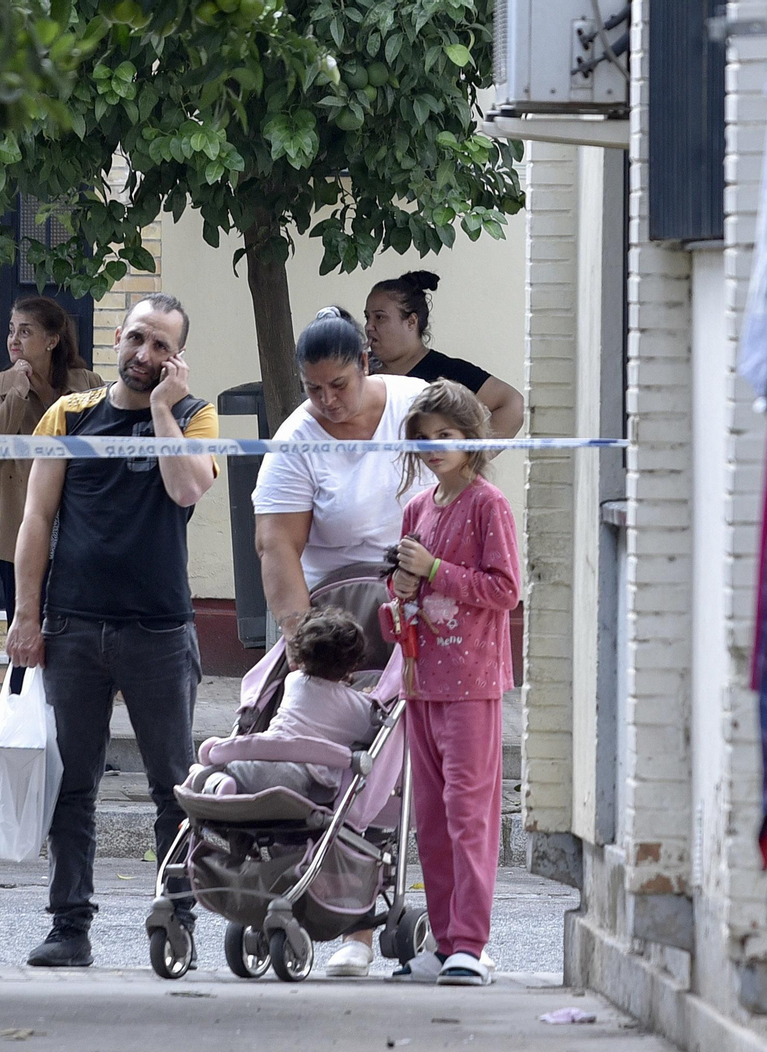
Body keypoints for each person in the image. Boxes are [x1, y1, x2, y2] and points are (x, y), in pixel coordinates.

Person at [5, 293, 218, 969]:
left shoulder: (195, 415)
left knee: (173, 785)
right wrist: (26, 615)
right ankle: (70, 925)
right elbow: (36, 520)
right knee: (73, 782)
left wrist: (162, 411)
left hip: (159, 630)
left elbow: (187, 491)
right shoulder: (68, 413)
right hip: (73, 627)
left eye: (160, 346)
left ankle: (177, 917)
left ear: (176, 357)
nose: (144, 356)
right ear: (117, 340)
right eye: (136, 340)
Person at [251, 305, 430, 977]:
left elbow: (465, 483)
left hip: (424, 608)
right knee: (348, 766)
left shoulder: (414, 408)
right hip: (340, 623)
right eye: (312, 388)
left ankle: (451, 929)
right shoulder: (297, 440)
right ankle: (353, 926)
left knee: (431, 769)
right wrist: (308, 653)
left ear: (366, 365)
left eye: (339, 386)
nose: (326, 401)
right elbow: (277, 546)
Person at [384, 380, 521, 986]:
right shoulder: (418, 509)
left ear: (473, 439)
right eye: (425, 438)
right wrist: (402, 591)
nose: (435, 447)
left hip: (472, 684)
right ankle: (444, 942)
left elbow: (504, 590)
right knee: (431, 819)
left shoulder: (489, 504)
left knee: (470, 812)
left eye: (448, 436)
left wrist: (436, 570)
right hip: (420, 682)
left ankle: (472, 942)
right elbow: (403, 599)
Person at [0, 295, 104, 691]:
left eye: (25, 332)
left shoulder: (88, 384)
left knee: (74, 627)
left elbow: (101, 440)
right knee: (25, 623)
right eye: (12, 331)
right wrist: (17, 392)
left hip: (79, 521)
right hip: (18, 522)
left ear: (51, 340)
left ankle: (70, 728)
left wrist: (48, 394)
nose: (14, 340)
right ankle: (21, 721)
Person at [186, 606, 376, 803]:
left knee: (221, 770)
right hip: (297, 777)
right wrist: (368, 699)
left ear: (301, 656)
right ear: (353, 665)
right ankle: (220, 782)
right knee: (281, 785)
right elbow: (371, 731)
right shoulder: (354, 705)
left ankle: (217, 782)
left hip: (259, 758)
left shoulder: (293, 680)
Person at [364, 270, 525, 442]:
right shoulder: (358, 370)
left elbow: (513, 406)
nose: (369, 326)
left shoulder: (447, 372)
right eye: (367, 317)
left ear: (411, 321)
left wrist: (467, 460)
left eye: (380, 317)